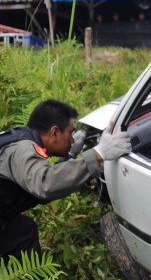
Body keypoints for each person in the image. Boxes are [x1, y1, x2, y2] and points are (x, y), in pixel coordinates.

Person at [0, 99, 131, 262]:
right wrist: (98, 155)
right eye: (70, 133)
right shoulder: (21, 150)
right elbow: (45, 184)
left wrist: (70, 156)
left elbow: (38, 183)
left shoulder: (22, 139)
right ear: (54, 132)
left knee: (23, 232)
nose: (73, 139)